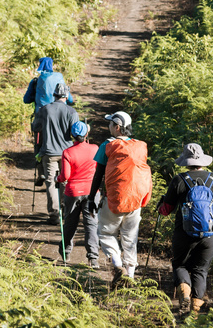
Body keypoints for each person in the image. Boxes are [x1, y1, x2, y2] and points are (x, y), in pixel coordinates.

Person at [158, 142, 213, 314]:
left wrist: (161, 205)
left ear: (185, 162)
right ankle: (195, 311)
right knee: (200, 270)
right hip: (209, 235)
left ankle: (184, 292)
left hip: (183, 233)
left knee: (180, 265)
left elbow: (166, 210)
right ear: (202, 160)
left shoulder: (179, 180)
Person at [89, 111, 152, 285]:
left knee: (106, 233)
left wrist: (90, 198)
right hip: (135, 200)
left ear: (117, 127)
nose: (108, 126)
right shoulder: (140, 146)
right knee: (130, 238)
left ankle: (118, 266)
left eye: (110, 123)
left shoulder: (108, 145)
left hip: (114, 198)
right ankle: (130, 276)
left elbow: (98, 174)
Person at [32, 83, 78, 225]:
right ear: (66, 95)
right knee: (65, 180)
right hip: (67, 152)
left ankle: (54, 214)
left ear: (54, 94)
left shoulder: (45, 110)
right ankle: (65, 211)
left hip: (49, 151)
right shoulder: (72, 112)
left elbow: (36, 127)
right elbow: (76, 133)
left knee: (51, 182)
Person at [58, 121, 99, 268]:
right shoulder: (95, 149)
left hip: (73, 192)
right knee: (91, 224)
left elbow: (65, 176)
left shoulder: (67, 152)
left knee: (70, 223)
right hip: (91, 191)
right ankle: (93, 258)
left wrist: (57, 179)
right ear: (87, 134)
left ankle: (65, 252)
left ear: (72, 136)